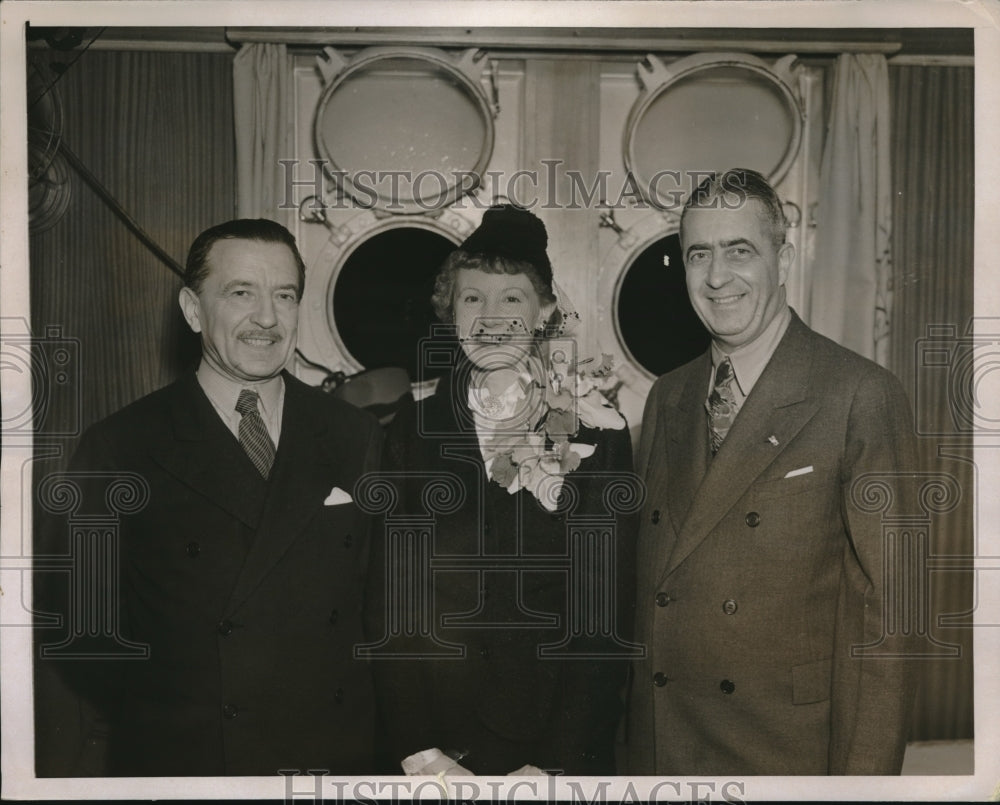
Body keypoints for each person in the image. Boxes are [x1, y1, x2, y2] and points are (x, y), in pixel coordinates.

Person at [36, 219, 382, 776]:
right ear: (194, 310)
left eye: (284, 295)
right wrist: (179, 706)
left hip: (329, 756)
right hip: (192, 760)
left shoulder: (353, 435)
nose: (267, 318)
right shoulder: (121, 445)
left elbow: (375, 604)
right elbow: (79, 633)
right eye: (241, 292)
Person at [626, 169, 918, 775]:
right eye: (698, 254)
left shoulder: (859, 393)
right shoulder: (667, 396)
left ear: (783, 258)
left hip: (786, 753)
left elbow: (890, 619)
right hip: (664, 751)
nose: (716, 277)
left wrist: (863, 787)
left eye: (740, 250)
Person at [364, 204, 640, 776]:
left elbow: (603, 613)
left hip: (551, 744)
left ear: (544, 311)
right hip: (435, 748)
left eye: (511, 298)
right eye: (472, 298)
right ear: (451, 311)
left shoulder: (597, 431)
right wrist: (419, 750)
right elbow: (391, 600)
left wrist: (557, 765)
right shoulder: (412, 432)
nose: (491, 317)